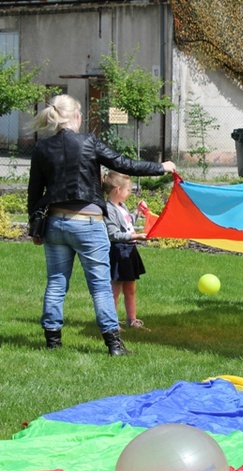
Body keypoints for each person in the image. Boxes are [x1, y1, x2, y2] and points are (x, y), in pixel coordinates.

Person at [27, 94, 176, 355]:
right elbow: (123, 164)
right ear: (77, 117)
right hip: (88, 223)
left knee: (56, 283)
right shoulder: (89, 142)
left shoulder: (42, 148)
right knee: (99, 286)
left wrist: (34, 227)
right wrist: (161, 167)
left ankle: (52, 342)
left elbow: (34, 191)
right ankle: (114, 345)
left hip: (55, 222)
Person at [102, 171, 150, 330]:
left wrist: (136, 212)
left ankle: (132, 319)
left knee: (130, 288)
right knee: (115, 289)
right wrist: (135, 236)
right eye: (128, 190)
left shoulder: (121, 206)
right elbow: (114, 234)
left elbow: (127, 222)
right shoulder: (108, 209)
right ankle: (112, 322)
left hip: (129, 251)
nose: (130, 193)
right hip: (119, 251)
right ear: (117, 190)